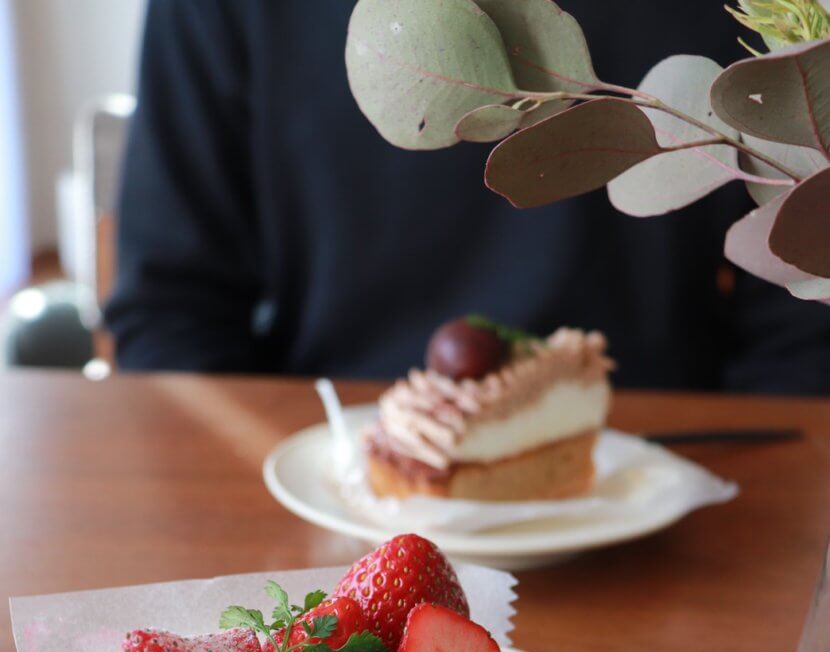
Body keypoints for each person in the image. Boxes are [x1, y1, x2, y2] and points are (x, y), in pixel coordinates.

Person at [106, 0, 830, 393]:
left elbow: (804, 325)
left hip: (673, 482)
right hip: (333, 494)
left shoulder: (758, 11)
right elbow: (173, 307)